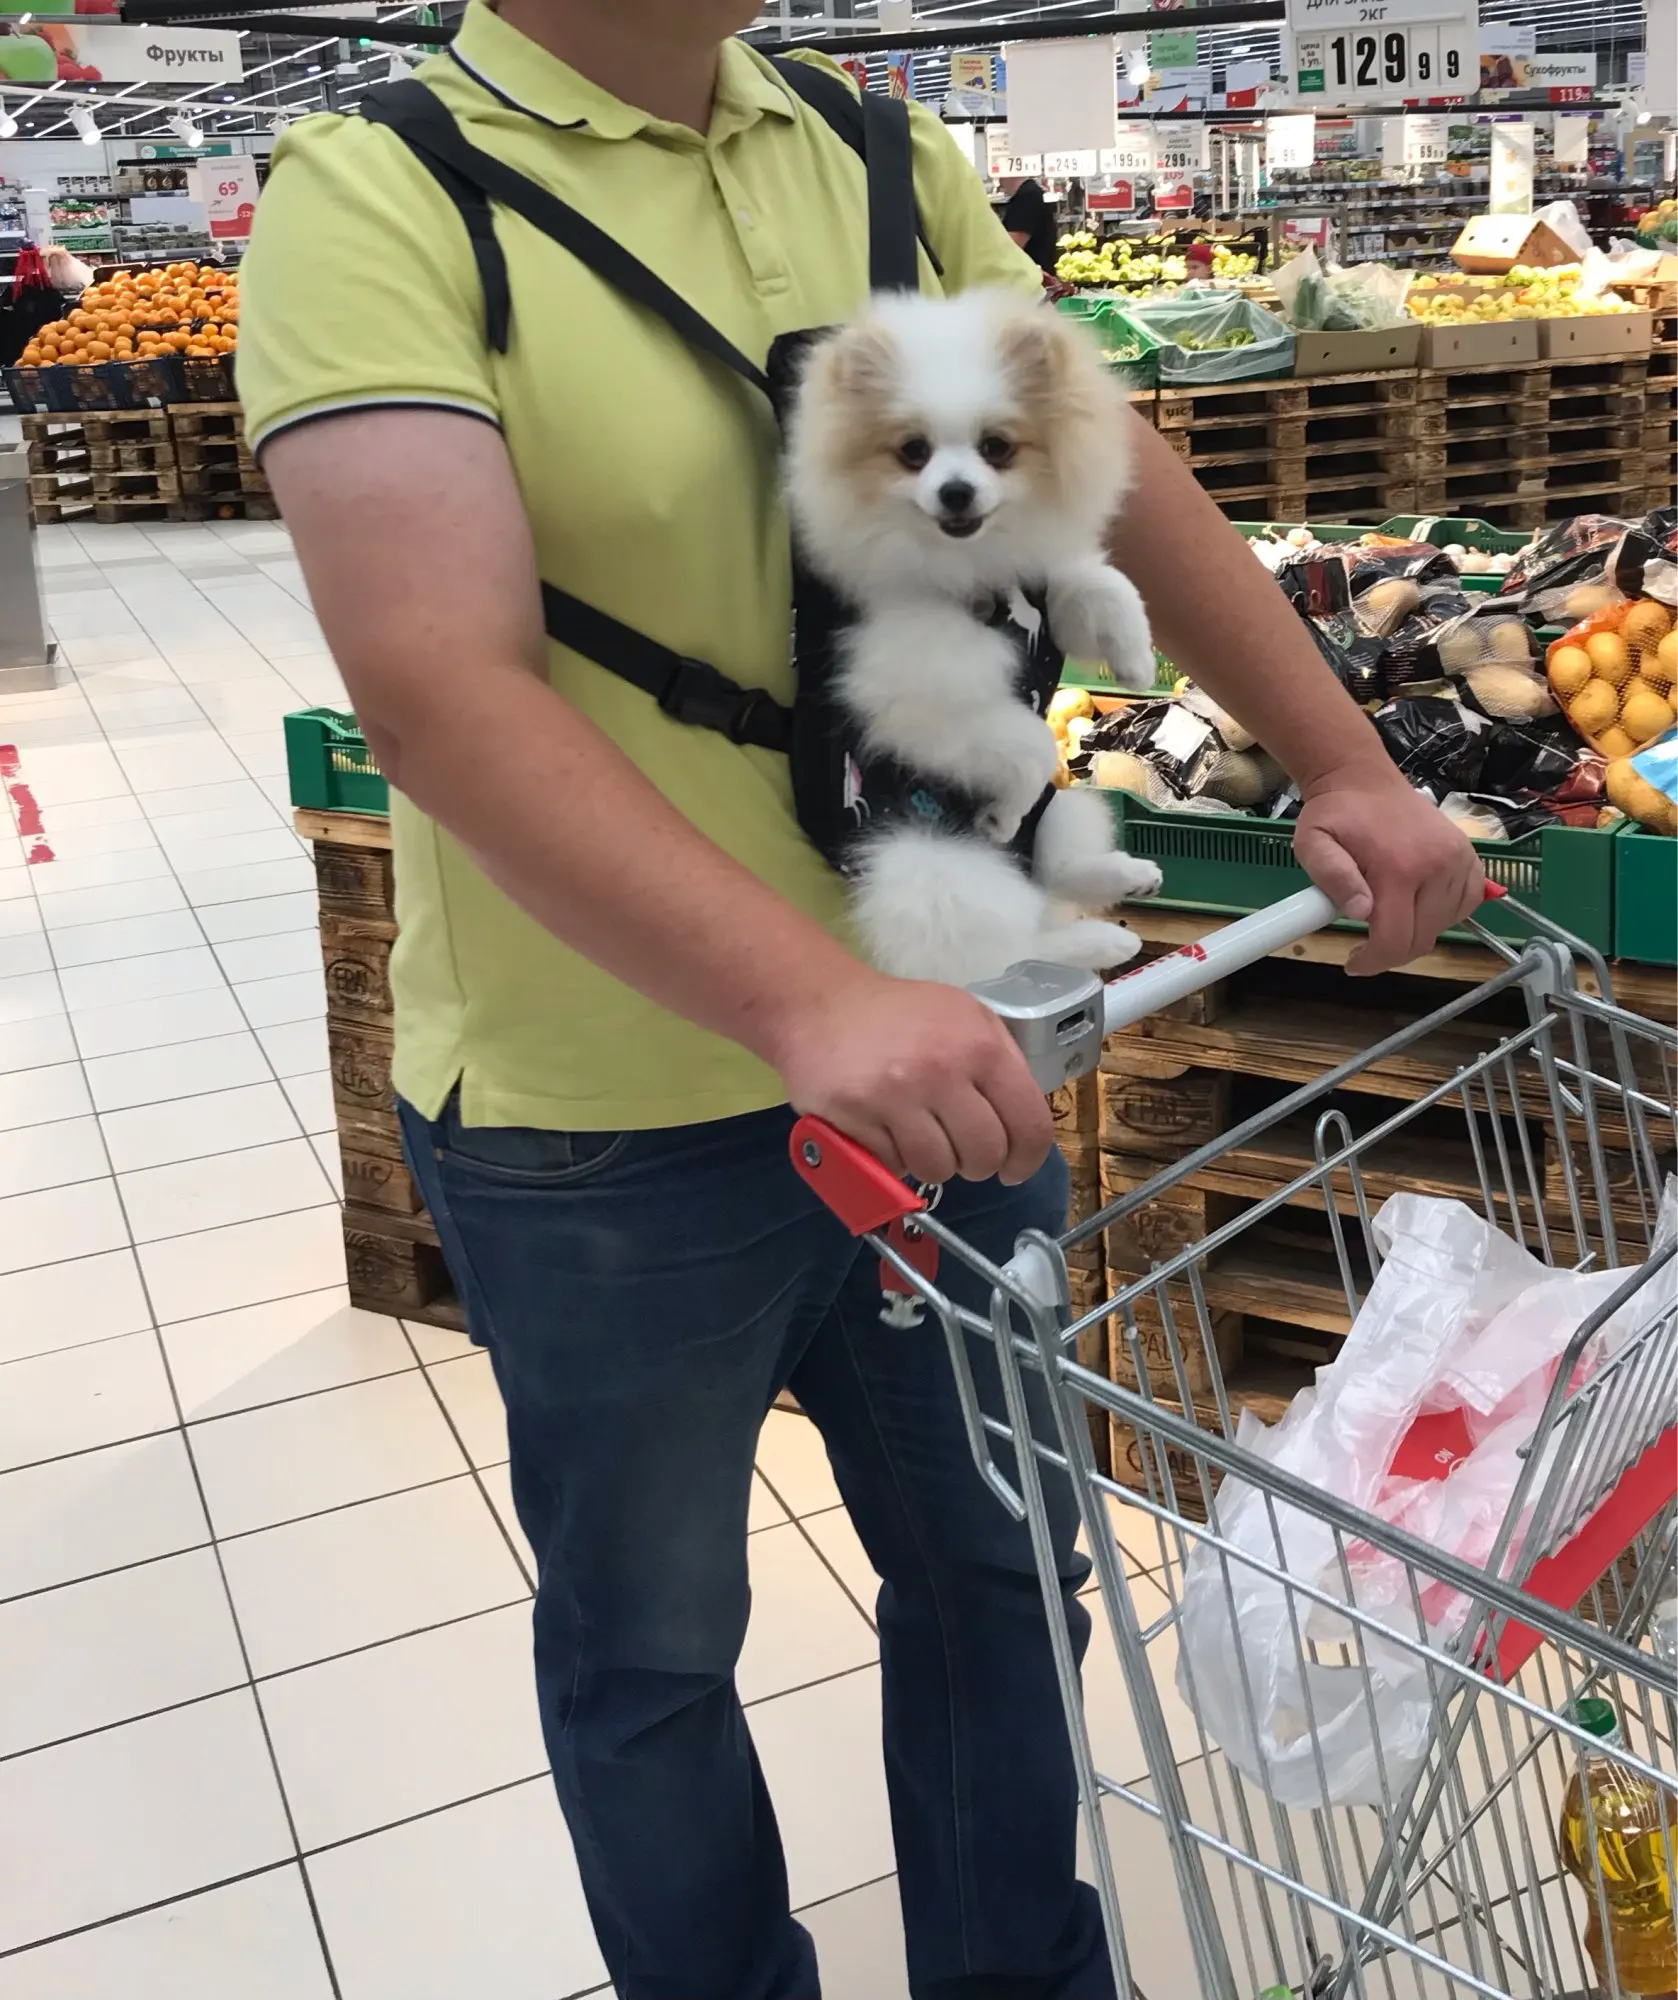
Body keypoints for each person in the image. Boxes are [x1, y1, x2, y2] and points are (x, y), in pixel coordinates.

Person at [238, 5, 1484, 1995]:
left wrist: (1340, 756)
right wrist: (805, 1000)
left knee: (998, 1569)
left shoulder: (873, 151)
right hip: (605, 1116)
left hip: (949, 1053)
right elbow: (436, 682)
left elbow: (1098, 462)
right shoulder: (384, 193)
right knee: (651, 1647)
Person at [999, 172, 1059, 273]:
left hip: (1032, 276)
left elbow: (1012, 246)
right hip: (1036, 273)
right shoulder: (1029, 193)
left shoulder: (1027, 197)